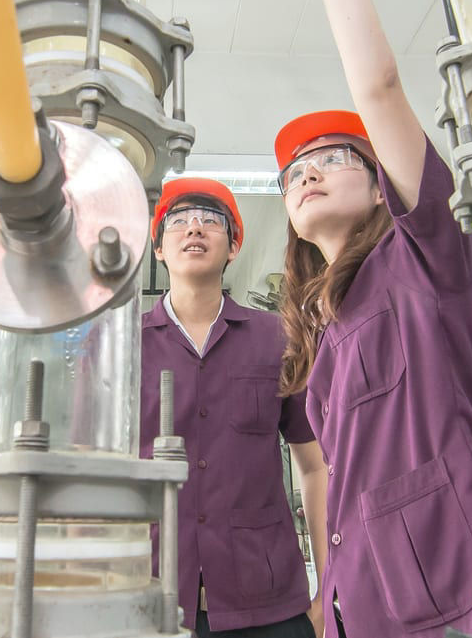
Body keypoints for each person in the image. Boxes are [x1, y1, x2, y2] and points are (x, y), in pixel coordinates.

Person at [273, 0, 472, 636]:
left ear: (380, 190)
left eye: (333, 158)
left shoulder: (424, 255)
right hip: (362, 598)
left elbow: (379, 87)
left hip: (464, 590)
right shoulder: (324, 328)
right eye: (291, 175)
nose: (305, 174)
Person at [140, 178, 330, 637]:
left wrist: (326, 591)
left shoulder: (279, 338)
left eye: (211, 222)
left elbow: (314, 466)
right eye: (180, 222)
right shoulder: (125, 345)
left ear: (233, 248)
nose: (195, 229)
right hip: (143, 594)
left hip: (266, 602)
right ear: (159, 249)